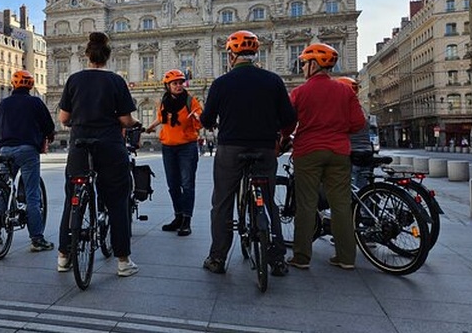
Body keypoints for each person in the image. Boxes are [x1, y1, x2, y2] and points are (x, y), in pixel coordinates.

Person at [199, 30, 296, 276]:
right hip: (264, 147)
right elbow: (288, 119)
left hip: (231, 148)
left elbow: (207, 118)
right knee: (268, 198)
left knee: (222, 202)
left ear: (231, 56)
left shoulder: (221, 83)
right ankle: (277, 259)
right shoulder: (273, 81)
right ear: (255, 54)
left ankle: (218, 257)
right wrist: (282, 139)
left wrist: (211, 122)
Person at [57, 32, 141, 277]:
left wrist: (80, 121)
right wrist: (134, 124)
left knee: (72, 197)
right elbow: (125, 119)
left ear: (87, 55)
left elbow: (63, 118)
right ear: (108, 56)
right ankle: (123, 261)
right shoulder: (116, 81)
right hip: (109, 145)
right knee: (117, 200)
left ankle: (64, 256)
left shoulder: (74, 80)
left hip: (80, 144)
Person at [282, 43, 365, 271]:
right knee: (341, 204)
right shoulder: (345, 90)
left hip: (308, 151)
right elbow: (358, 123)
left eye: (304, 63)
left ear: (313, 65)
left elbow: (287, 123)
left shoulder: (300, 92)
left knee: (306, 204)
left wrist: (285, 138)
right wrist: (338, 130)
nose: (302, 67)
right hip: (339, 152)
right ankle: (346, 257)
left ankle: (301, 256)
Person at [0, 70, 57, 251]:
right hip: (28, 150)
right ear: (30, 86)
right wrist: (48, 136)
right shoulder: (35, 102)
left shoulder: (4, 103)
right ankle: (37, 239)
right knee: (32, 194)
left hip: (6, 150)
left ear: (13, 85)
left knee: (3, 190)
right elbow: (49, 126)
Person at [145, 69, 204, 236]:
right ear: (168, 86)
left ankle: (186, 220)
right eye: (175, 83)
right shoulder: (164, 101)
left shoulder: (190, 101)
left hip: (187, 146)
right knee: (173, 185)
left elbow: (200, 117)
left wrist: (199, 118)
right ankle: (178, 216)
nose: (179, 86)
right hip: (168, 147)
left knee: (187, 184)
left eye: (181, 83)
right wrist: (150, 127)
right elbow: (162, 118)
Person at [335, 77, 373, 189]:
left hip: (352, 154)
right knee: (362, 189)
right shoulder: (360, 108)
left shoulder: (342, 108)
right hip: (366, 153)